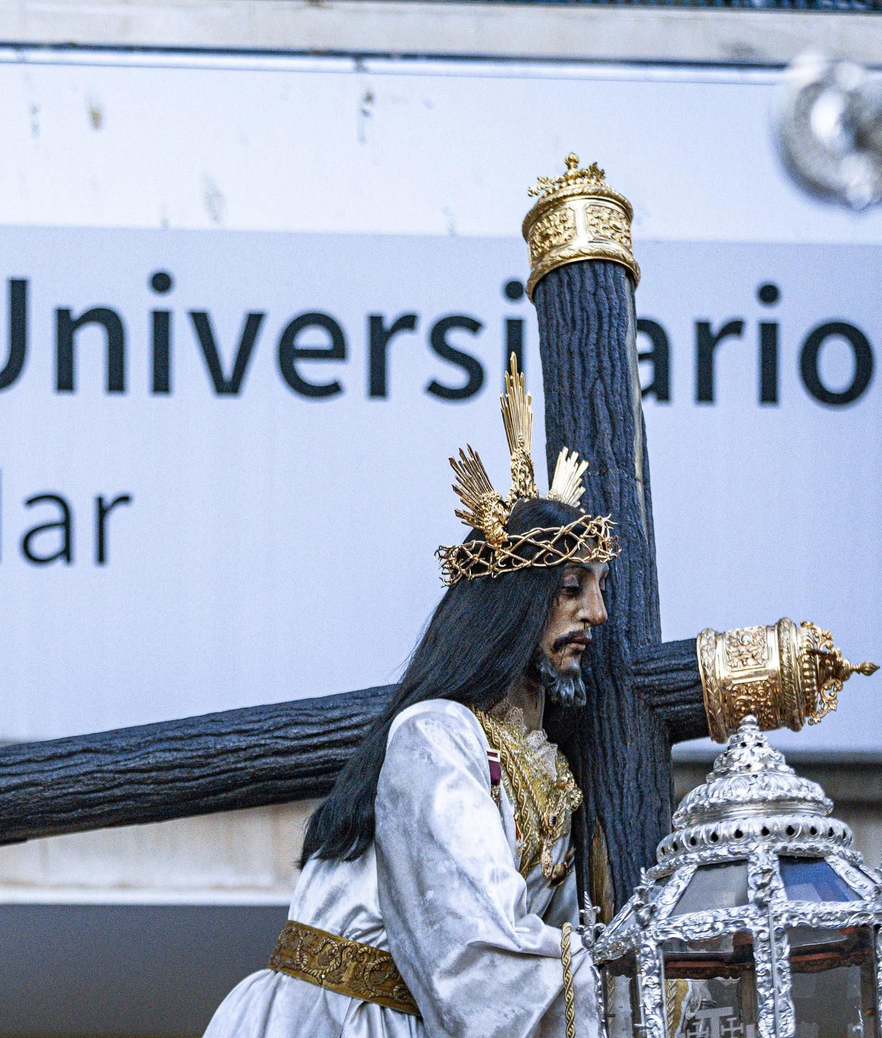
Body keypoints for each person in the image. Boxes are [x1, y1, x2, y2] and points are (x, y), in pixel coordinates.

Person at [204, 359, 618, 1038]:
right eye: (572, 588)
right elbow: (475, 954)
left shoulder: (551, 771)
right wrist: (632, 990)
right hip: (344, 1021)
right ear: (515, 605)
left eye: (595, 588)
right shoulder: (436, 736)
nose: (595, 613)